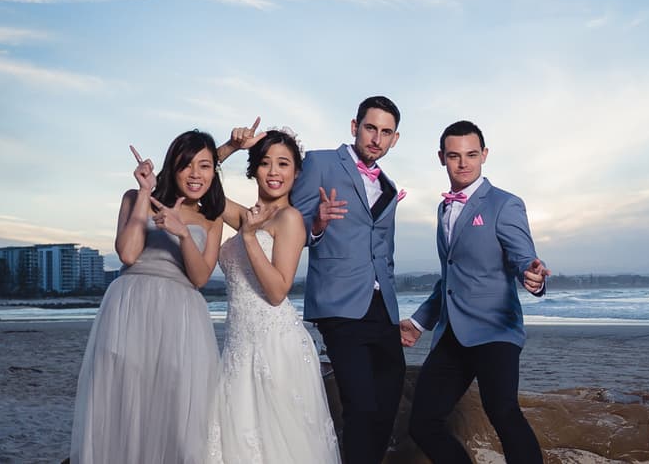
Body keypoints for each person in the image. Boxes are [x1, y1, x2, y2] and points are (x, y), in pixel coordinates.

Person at [401, 120, 551, 463]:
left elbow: (523, 257)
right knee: (423, 423)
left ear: (484, 155)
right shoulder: (443, 210)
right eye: (454, 156)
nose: (463, 163)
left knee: (503, 412)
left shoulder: (504, 204)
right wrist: (419, 321)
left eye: (471, 154)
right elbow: (451, 278)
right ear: (442, 158)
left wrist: (534, 276)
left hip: (496, 328)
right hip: (453, 332)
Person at [70, 130, 224, 464]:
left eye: (206, 166)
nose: (196, 174)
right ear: (174, 165)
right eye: (187, 165)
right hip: (130, 306)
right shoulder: (133, 197)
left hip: (182, 315)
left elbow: (199, 277)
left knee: (177, 405)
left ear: (215, 172)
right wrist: (144, 192)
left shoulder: (212, 219)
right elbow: (127, 253)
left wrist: (182, 233)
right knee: (123, 400)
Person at [205, 122, 341, 463]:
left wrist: (249, 238)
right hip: (238, 347)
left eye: (283, 163)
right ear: (254, 169)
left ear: (296, 173)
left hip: (276, 348)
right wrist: (231, 147)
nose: (273, 171)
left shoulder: (290, 219)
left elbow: (278, 290)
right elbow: (199, 184)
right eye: (265, 162)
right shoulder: (246, 215)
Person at [290, 96, 406, 463]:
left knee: (388, 401)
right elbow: (294, 227)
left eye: (386, 132)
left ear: (395, 139)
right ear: (355, 127)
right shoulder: (320, 163)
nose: (377, 138)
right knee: (360, 405)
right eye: (371, 128)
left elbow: (384, 250)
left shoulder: (388, 186)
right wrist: (318, 223)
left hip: (381, 307)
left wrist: (392, 303)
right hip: (339, 304)